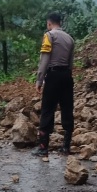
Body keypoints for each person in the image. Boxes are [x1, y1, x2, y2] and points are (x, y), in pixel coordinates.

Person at [32, 13, 75, 157]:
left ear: (49, 24)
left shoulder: (49, 36)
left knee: (47, 109)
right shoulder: (70, 39)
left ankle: (43, 148)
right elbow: (70, 63)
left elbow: (45, 60)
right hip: (67, 77)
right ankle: (66, 147)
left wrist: (39, 80)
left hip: (53, 76)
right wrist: (67, 75)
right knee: (67, 108)